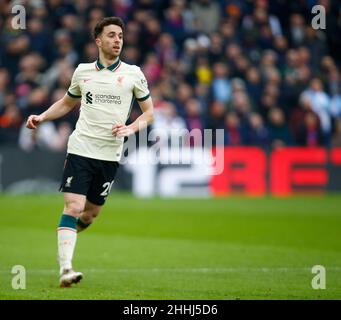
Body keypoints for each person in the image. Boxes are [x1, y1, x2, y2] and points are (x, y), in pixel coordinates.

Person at [26, 17, 154, 287]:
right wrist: (42, 116)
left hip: (110, 155)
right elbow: (66, 103)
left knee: (90, 213)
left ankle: (69, 233)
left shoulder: (133, 73)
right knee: (73, 207)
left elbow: (149, 113)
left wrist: (131, 129)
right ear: (98, 41)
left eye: (120, 35)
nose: (117, 40)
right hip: (81, 148)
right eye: (111, 35)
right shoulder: (83, 71)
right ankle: (66, 269)